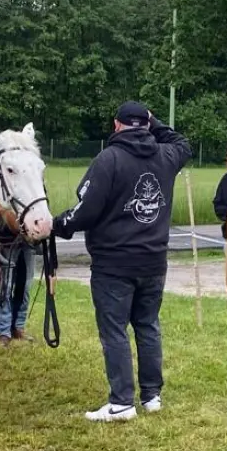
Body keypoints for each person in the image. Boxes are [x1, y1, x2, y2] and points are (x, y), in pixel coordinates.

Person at [53, 101, 193, 421]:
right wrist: (153, 122)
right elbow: (182, 143)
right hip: (154, 260)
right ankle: (151, 395)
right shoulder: (166, 155)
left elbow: (86, 210)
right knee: (147, 326)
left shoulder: (109, 159)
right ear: (146, 124)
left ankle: (121, 402)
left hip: (114, 262)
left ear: (116, 125)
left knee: (114, 330)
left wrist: (57, 225)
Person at [0, 206, 36, 346]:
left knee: (25, 286)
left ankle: (18, 327)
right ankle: (4, 332)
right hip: (5, 241)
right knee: (6, 286)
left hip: (27, 240)